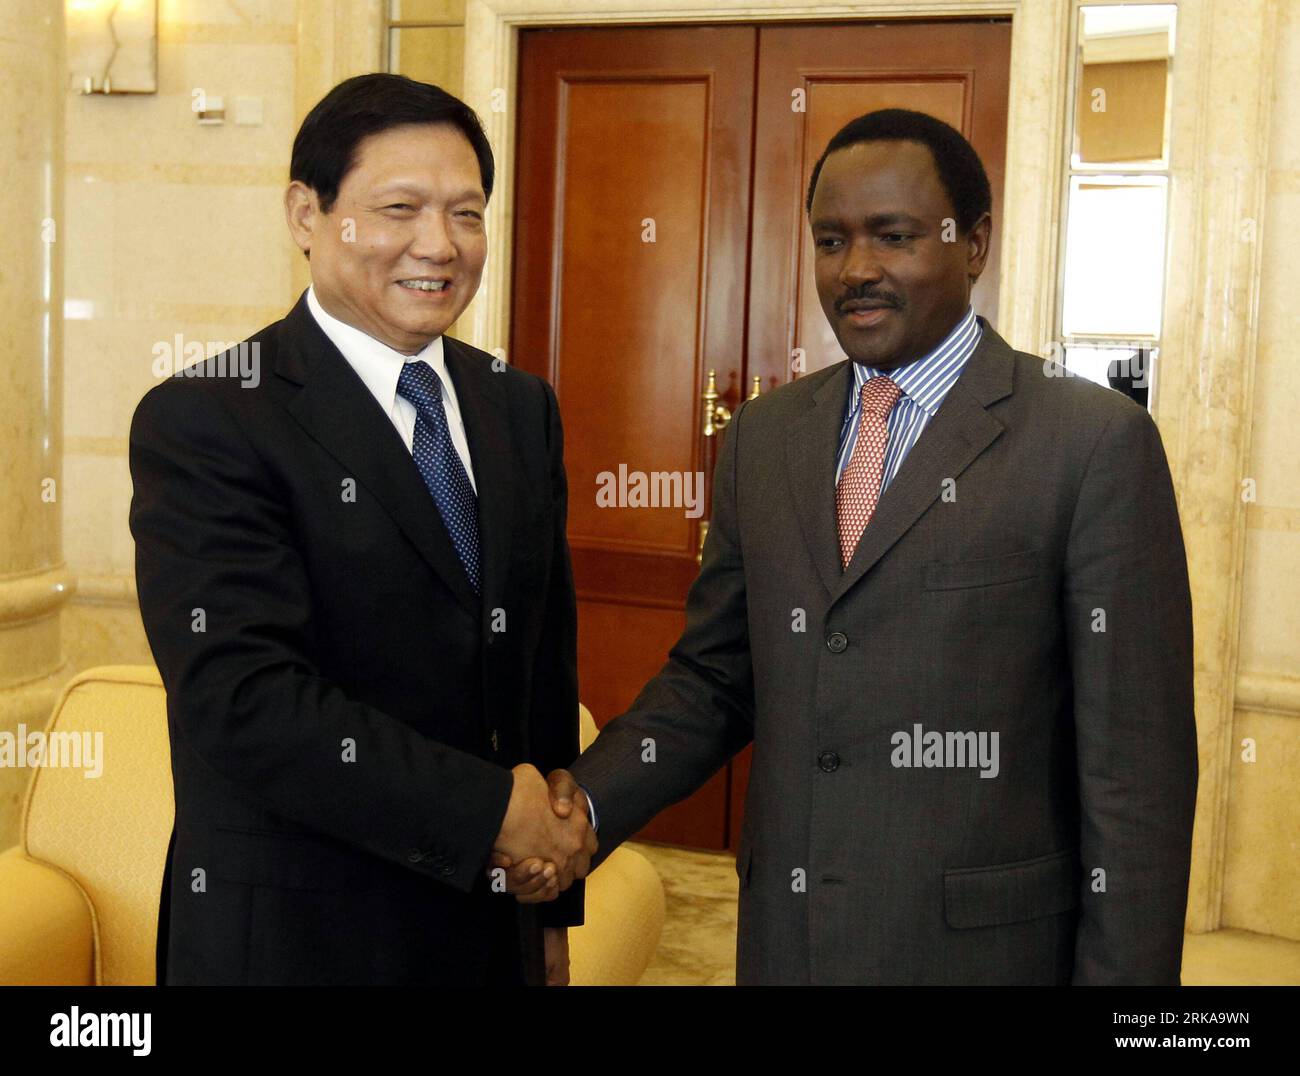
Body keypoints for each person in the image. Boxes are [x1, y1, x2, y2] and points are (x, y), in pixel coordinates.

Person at [503, 109, 1198, 985]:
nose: (858, 270)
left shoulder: (1092, 442)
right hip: (787, 946)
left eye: (894, 237)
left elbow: (1136, 782)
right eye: (831, 241)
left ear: (974, 242)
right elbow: (716, 680)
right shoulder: (766, 435)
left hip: (984, 956)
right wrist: (585, 807)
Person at [129, 73, 594, 986]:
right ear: (308, 213)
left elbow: (542, 670)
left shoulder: (519, 407)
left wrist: (551, 901)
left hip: (488, 931)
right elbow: (246, 702)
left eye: (467, 213)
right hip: (300, 940)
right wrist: (492, 814)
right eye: (400, 208)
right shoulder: (210, 417)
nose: (440, 244)